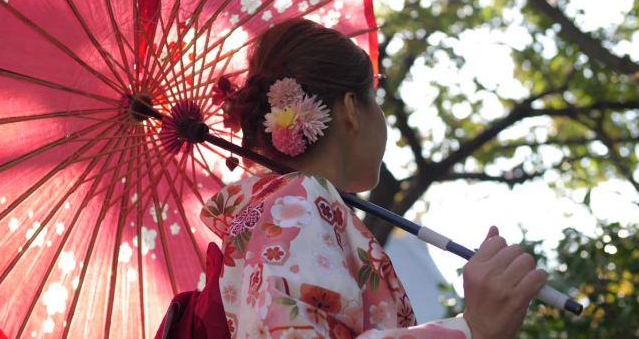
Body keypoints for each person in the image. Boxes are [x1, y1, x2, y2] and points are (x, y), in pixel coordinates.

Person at [154, 18, 548, 339]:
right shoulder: (295, 205)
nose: (381, 117)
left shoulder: (293, 208)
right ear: (350, 110)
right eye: (373, 98)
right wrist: (471, 329)